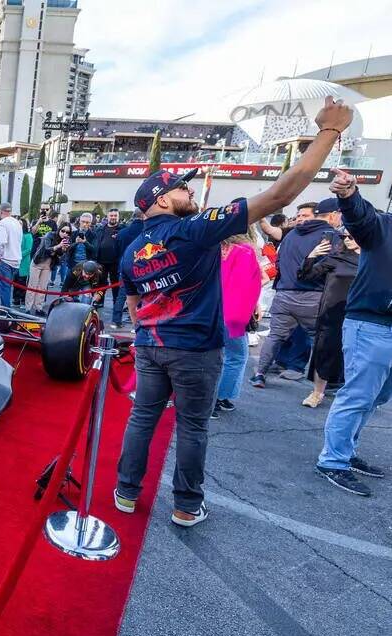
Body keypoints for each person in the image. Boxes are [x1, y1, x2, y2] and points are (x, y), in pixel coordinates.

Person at [114, 96, 353, 527]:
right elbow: (283, 190)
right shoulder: (193, 229)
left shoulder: (131, 248)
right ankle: (187, 506)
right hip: (195, 350)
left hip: (152, 345)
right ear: (163, 201)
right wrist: (330, 132)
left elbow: (133, 303)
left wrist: (147, 332)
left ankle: (126, 493)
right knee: (191, 426)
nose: (190, 190)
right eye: (182, 187)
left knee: (143, 417)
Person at [315, 169, 391, 495]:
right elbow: (360, 219)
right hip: (371, 325)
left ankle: (346, 451)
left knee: (376, 397)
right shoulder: (382, 226)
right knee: (358, 395)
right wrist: (347, 195)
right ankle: (333, 461)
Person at [249, 197, 336, 388]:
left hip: (284, 294)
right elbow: (332, 267)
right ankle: (323, 385)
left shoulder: (291, 235)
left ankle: (260, 374)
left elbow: (279, 262)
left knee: (275, 336)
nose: (299, 219)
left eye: (303, 215)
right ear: (330, 215)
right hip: (313, 294)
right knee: (319, 339)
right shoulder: (329, 235)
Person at [298, 227, 360, 409]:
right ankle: (317, 392)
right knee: (324, 351)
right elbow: (305, 275)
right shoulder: (337, 257)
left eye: (352, 235)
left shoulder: (374, 261)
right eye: (344, 235)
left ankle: (360, 394)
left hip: (359, 313)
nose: (347, 239)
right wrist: (312, 255)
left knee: (358, 356)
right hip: (332, 313)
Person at [214, 235, 262, 418]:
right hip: (232, 314)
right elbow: (243, 287)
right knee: (236, 356)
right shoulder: (244, 252)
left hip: (210, 311)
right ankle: (219, 398)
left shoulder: (212, 247)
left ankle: (214, 399)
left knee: (213, 356)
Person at [89, 208, 125, 327]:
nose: (113, 217)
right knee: (101, 286)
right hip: (101, 262)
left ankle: (116, 311)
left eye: (115, 215)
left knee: (116, 287)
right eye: (111, 215)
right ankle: (98, 311)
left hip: (116, 262)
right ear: (107, 217)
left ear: (118, 217)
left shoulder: (122, 229)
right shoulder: (100, 229)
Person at [0, 203, 22, 307]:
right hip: (15, 260)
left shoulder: (2, 224)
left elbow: (0, 242)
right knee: (7, 288)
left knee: (4, 288)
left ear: (1, 211)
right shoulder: (17, 223)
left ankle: (6, 312)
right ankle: (7, 310)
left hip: (5, 260)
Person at [14, 218, 33, 306]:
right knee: (15, 281)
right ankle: (16, 300)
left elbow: (28, 249)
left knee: (22, 282)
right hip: (16, 262)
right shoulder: (16, 235)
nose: (19, 225)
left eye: (21, 223)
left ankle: (22, 300)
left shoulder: (28, 235)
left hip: (23, 262)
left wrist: (18, 255)